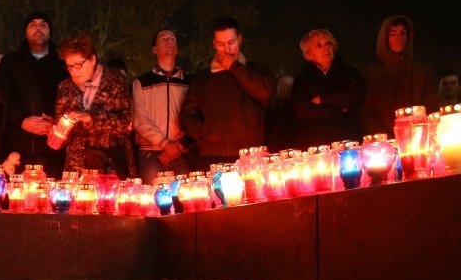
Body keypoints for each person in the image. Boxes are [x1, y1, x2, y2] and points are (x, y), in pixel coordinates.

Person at [179, 16, 275, 171]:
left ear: (240, 39)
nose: (227, 49)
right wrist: (206, 131)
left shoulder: (257, 70)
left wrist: (234, 67)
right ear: (214, 44)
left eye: (231, 43)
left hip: (250, 156)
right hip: (211, 157)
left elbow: (266, 92)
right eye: (221, 44)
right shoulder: (202, 79)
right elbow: (186, 117)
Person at [0, 11, 67, 179]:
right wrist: (21, 120)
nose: (38, 28)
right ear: (26, 31)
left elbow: (71, 98)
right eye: (33, 24)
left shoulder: (62, 62)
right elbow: (2, 98)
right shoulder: (11, 62)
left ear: (50, 31)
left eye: (43, 24)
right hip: (19, 147)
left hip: (54, 148)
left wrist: (57, 122)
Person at [55, 32, 135, 178]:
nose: (74, 71)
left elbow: (124, 122)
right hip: (77, 168)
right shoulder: (65, 87)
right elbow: (61, 126)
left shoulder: (115, 80)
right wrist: (57, 132)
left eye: (78, 65)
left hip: (111, 166)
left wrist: (90, 117)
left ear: (92, 59)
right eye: (69, 67)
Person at [360, 15, 437, 136]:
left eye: (403, 33)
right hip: (384, 146)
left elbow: (431, 107)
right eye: (393, 34)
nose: (399, 38)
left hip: (418, 139)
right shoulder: (371, 74)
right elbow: (367, 112)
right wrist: (385, 140)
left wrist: (418, 134)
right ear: (384, 38)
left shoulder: (422, 71)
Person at [290, 29, 365, 149]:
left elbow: (355, 97)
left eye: (328, 44)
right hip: (316, 144)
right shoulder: (302, 81)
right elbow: (302, 112)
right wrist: (338, 110)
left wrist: (323, 99)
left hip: (348, 140)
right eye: (318, 45)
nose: (326, 48)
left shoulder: (350, 73)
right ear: (308, 54)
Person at [132, 28, 190, 184]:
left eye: (172, 39)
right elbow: (139, 120)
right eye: (163, 39)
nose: (169, 41)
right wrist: (164, 142)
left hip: (180, 153)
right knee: (150, 201)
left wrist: (177, 146)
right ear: (154, 49)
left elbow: (194, 117)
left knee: (184, 201)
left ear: (177, 49)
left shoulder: (189, 83)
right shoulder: (142, 83)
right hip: (150, 154)